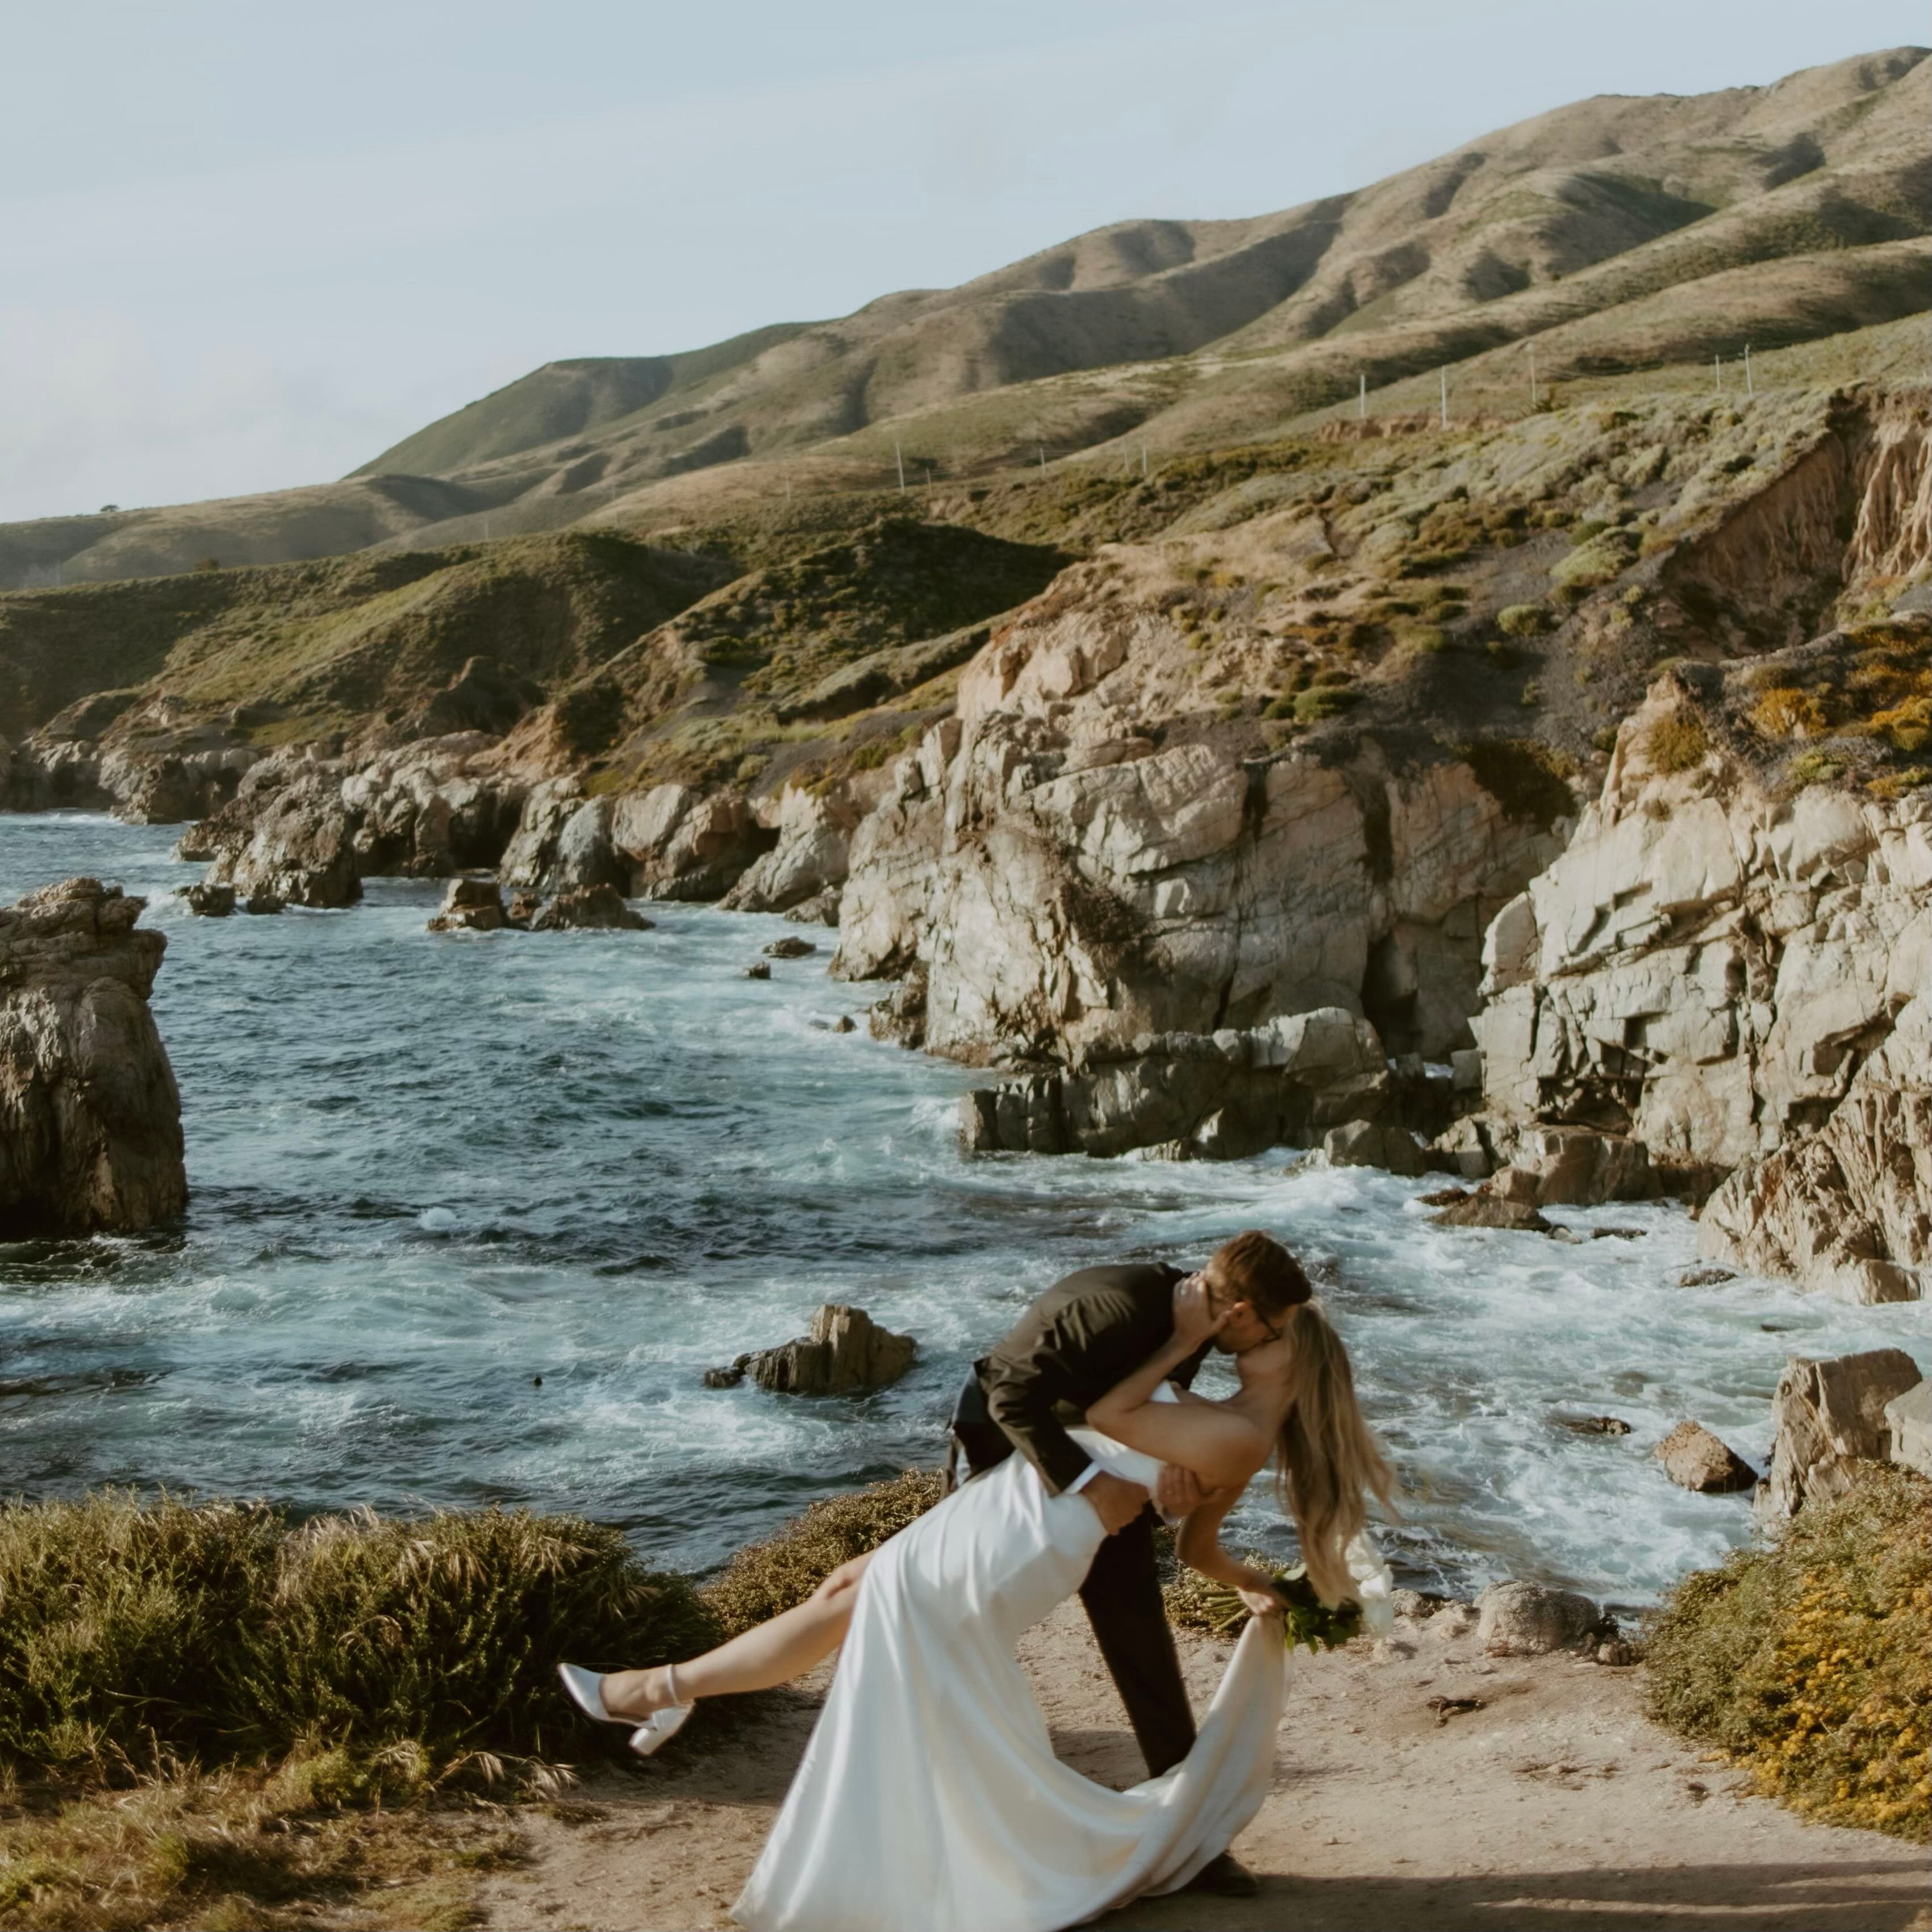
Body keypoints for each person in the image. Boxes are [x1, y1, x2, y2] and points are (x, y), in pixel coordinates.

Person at [560, 1230, 1394, 1932]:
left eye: (1281, 1333)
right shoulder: (1141, 1316)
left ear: (1279, 1355)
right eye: (1274, 1321)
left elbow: (1120, 1423)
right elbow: (1024, 1392)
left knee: (885, 1606)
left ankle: (659, 1690)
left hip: (1040, 1521)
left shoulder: (1215, 1384)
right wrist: (1243, 1568)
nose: (1266, 1335)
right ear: (1246, 1314)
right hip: (1024, 1484)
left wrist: (1175, 1433)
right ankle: (664, 1686)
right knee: (848, 1592)